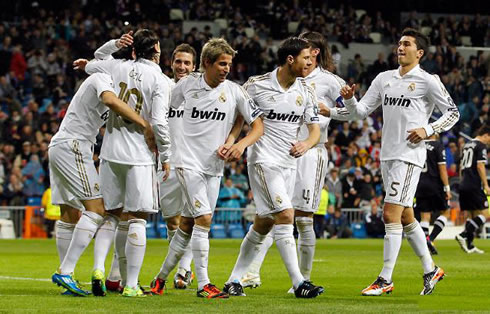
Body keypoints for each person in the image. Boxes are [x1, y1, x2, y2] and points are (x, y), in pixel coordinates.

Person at [325, 28, 460, 295]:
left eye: (406, 44)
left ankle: (385, 279)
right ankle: (431, 269)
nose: (400, 47)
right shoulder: (384, 78)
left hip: (409, 156)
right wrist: (350, 100)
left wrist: (428, 129)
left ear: (419, 52)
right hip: (387, 155)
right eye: (399, 43)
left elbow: (452, 112)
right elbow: (360, 112)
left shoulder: (428, 80)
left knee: (390, 214)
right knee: (406, 216)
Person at [149, 38, 264, 299]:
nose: (226, 69)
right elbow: (164, 112)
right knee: (204, 220)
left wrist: (239, 143)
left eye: (229, 64)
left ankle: (159, 280)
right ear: (207, 64)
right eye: (222, 64)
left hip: (213, 167)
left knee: (188, 224)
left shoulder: (235, 91)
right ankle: (204, 284)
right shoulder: (185, 86)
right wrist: (156, 139)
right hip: (186, 163)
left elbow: (257, 125)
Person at [240, 31, 346, 292]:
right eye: (303, 55)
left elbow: (352, 111)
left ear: (315, 53)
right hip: (276, 152)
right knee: (276, 214)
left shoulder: (329, 82)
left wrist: (330, 110)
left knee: (302, 217)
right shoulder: (267, 82)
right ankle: (251, 273)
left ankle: (302, 277)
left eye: (309, 54)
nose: (307, 60)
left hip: (311, 152)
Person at [73, 29, 172, 297]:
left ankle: (98, 270)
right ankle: (130, 285)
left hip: (109, 153)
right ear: (156, 53)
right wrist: (166, 155)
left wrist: (113, 43)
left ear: (131, 50)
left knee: (110, 216)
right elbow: (160, 123)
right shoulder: (160, 79)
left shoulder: (114, 65)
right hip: (139, 157)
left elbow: (93, 61)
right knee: (137, 219)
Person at [223, 37, 323, 299]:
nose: (311, 62)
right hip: (263, 161)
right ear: (290, 59)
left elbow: (315, 131)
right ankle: (300, 282)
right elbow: (239, 117)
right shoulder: (257, 85)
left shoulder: (306, 91)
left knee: (263, 223)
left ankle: (233, 280)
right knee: (286, 215)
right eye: (306, 57)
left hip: (289, 164)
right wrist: (235, 142)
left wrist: (306, 145)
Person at [49, 67, 156, 297]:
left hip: (62, 144)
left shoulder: (113, 83)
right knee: (97, 210)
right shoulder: (102, 78)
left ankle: (69, 277)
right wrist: (144, 123)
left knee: (69, 214)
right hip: (74, 145)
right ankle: (65, 271)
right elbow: (109, 99)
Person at [414, 133, 451, 255]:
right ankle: (432, 238)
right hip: (435, 185)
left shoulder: (418, 145)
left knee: (425, 216)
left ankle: (425, 241)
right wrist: (447, 188)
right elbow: (442, 168)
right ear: (435, 133)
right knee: (446, 212)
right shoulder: (438, 145)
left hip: (419, 185)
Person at [455, 124, 490, 254]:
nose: (488, 142)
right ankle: (463, 234)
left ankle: (469, 245)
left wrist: (461, 181)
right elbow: (480, 166)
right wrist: (486, 184)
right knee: (485, 214)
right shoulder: (481, 146)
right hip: (474, 184)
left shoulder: (467, 145)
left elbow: (460, 167)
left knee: (472, 215)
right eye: (489, 139)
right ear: (486, 135)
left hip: (464, 183)